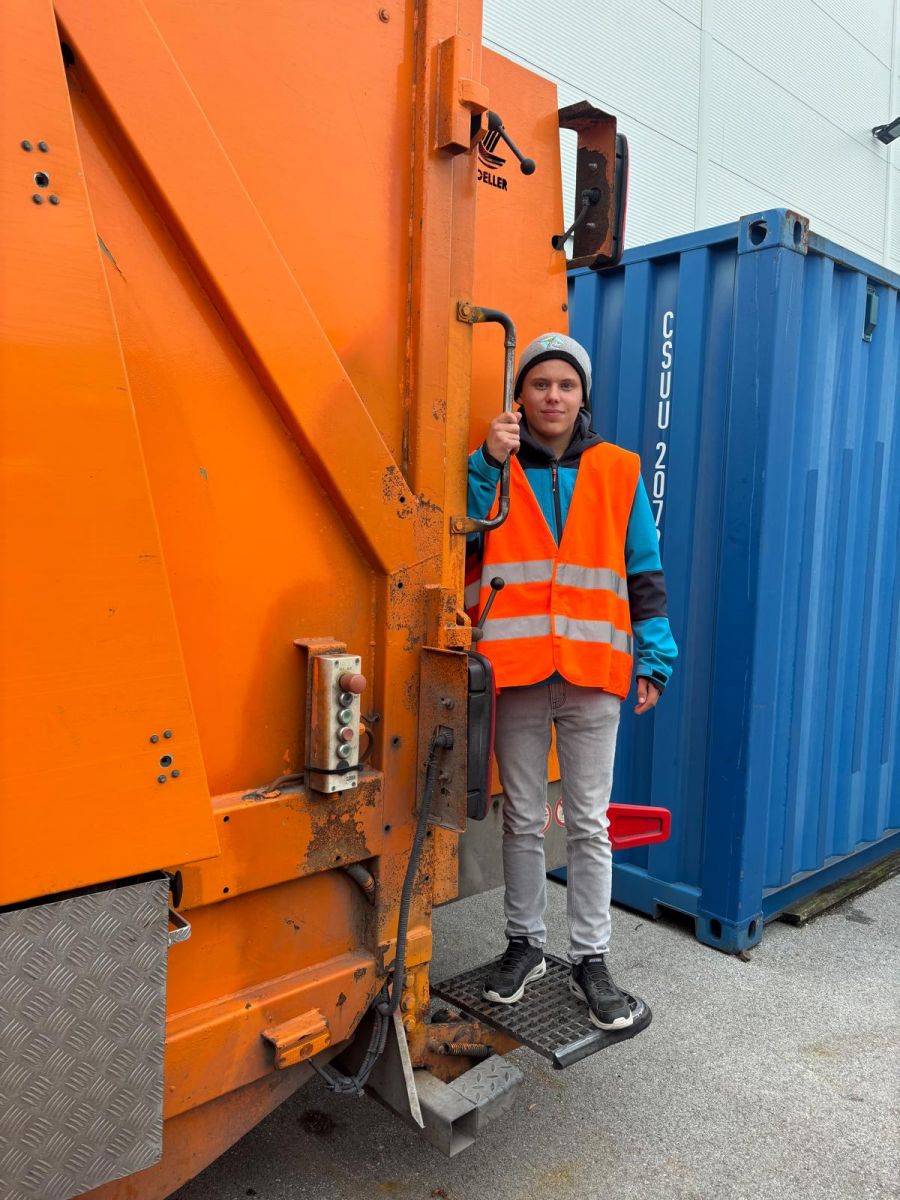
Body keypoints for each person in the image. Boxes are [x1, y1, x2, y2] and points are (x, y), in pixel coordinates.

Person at [467, 332, 677, 1030]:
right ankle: (524, 945)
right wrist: (484, 462)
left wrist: (654, 659)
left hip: (592, 673)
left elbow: (644, 571)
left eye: (565, 385)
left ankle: (591, 959)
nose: (552, 396)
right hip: (518, 673)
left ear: (583, 396)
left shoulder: (618, 469)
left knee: (589, 824)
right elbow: (462, 536)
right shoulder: (494, 464)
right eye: (539, 384)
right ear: (520, 396)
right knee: (523, 820)